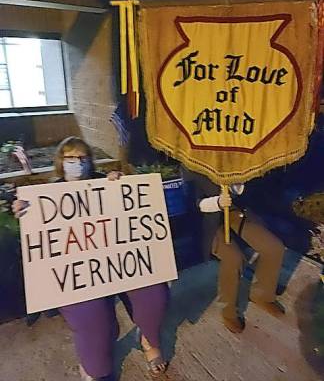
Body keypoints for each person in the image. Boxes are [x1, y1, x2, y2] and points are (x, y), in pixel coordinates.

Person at [13, 137, 169, 381]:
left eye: (83, 158)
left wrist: (118, 184)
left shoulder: (104, 183)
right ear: (61, 162)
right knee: (92, 321)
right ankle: (95, 367)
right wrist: (24, 211)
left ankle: (148, 338)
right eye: (71, 158)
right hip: (77, 277)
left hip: (119, 265)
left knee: (155, 294)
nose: (77, 163)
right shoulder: (47, 195)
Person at [181, 168, 286, 334]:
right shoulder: (192, 165)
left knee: (273, 247)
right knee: (233, 258)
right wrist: (217, 202)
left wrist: (237, 181)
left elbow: (248, 194)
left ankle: (262, 294)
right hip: (207, 222)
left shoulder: (236, 160)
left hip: (236, 212)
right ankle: (228, 310)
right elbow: (193, 203)